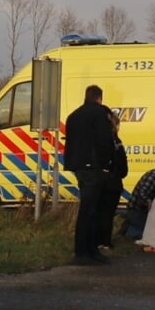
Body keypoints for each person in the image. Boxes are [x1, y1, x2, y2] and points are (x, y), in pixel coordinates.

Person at [62, 84, 119, 265]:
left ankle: (86, 251)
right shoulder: (100, 113)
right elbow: (104, 140)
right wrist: (106, 162)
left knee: (87, 209)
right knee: (91, 210)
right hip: (94, 168)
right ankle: (86, 252)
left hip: (78, 167)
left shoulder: (73, 116)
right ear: (99, 98)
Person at [96, 109, 129, 250]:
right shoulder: (117, 142)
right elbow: (123, 167)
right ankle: (106, 242)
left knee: (98, 212)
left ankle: (97, 241)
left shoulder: (98, 141)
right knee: (108, 214)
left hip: (100, 181)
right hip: (113, 183)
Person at [124, 156, 155, 242]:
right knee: (143, 234)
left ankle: (130, 227)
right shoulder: (153, 177)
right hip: (137, 210)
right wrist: (148, 201)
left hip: (142, 210)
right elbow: (142, 193)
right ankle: (129, 230)